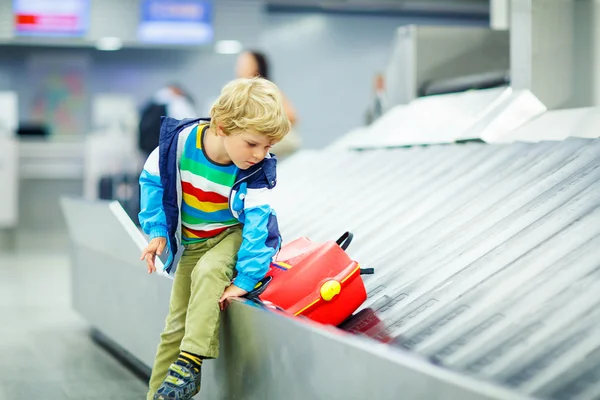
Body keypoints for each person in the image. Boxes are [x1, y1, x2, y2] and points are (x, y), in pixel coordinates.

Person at [138, 77, 291, 400]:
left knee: (209, 271)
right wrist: (157, 232)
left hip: (231, 236)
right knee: (174, 326)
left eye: (268, 147)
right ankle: (157, 395)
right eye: (252, 144)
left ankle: (191, 363)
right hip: (193, 242)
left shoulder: (256, 171)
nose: (260, 155)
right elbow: (152, 183)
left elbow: (258, 227)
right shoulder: (176, 146)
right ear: (221, 126)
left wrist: (247, 278)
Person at [235, 50, 301, 158]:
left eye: (243, 64)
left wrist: (261, 127)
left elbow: (292, 116)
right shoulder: (239, 93)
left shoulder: (266, 89)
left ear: (255, 66)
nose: (238, 68)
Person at [138, 84, 198, 158]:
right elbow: (189, 122)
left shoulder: (155, 102)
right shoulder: (178, 103)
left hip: (152, 143)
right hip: (166, 142)